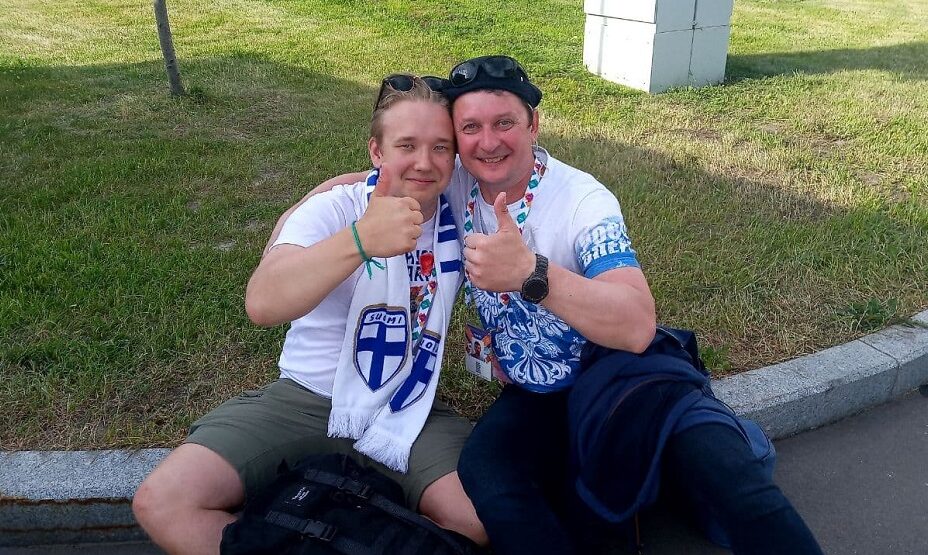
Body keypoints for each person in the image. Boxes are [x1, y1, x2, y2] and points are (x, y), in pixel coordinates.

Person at [272, 56, 823, 555]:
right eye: (470, 128)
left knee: (728, 477)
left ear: (533, 125)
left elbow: (636, 324)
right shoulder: (458, 183)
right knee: (490, 477)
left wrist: (532, 275)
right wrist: (305, 214)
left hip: (622, 376)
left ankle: (713, 451)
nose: (488, 142)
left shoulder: (582, 200)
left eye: (505, 123)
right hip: (538, 394)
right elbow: (381, 178)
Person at [132, 74, 487, 555]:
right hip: (307, 397)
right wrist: (360, 240)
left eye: (440, 147)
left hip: (408, 403)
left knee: (477, 519)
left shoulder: (460, 213)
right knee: (163, 501)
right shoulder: (335, 210)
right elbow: (263, 303)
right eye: (406, 145)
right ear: (376, 151)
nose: (424, 162)